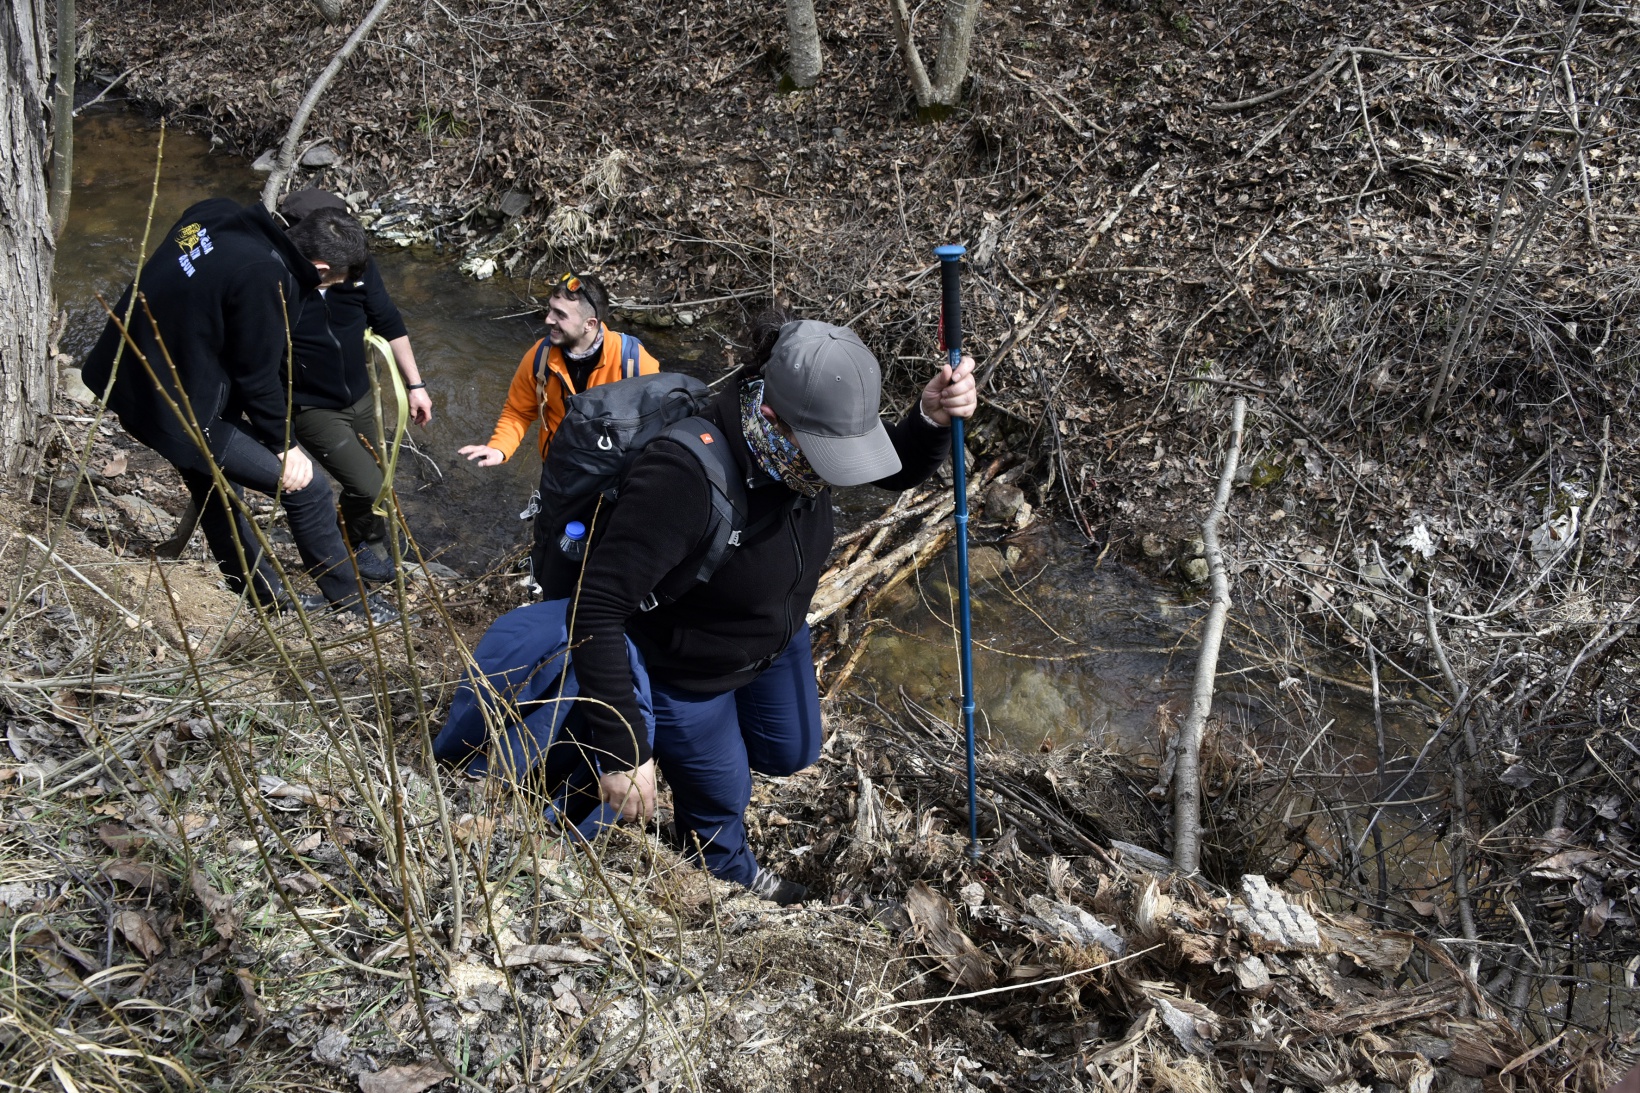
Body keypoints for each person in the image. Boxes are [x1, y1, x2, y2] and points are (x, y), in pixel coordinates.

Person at [565, 312, 977, 903]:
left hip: (773, 642)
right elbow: (597, 606)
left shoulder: (800, 445)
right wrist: (622, 747)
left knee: (793, 750)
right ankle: (727, 875)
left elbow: (886, 465)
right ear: (770, 415)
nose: (835, 474)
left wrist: (929, 421)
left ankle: (712, 766)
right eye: (829, 456)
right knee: (721, 796)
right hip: (690, 672)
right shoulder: (681, 475)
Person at [81, 197, 390, 622]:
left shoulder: (221, 212)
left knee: (217, 489)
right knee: (308, 488)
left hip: (122, 368)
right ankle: (353, 604)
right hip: (170, 404)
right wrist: (285, 446)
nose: (329, 290)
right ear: (319, 268)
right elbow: (257, 375)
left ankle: (263, 600)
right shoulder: (266, 279)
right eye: (332, 282)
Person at [457, 273, 658, 583]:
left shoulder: (633, 363)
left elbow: (658, 427)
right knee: (553, 546)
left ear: (590, 324)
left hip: (613, 481)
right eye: (549, 309)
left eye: (560, 314)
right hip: (559, 476)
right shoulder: (539, 357)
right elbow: (518, 411)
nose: (548, 319)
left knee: (605, 550)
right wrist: (500, 446)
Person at [278, 190, 432, 578]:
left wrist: (416, 385)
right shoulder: (279, 278)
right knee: (366, 485)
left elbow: (388, 321)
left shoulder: (357, 265)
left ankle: (369, 538)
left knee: (382, 474)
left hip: (362, 394)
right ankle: (355, 545)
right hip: (312, 406)